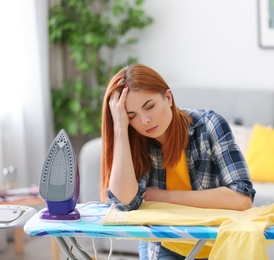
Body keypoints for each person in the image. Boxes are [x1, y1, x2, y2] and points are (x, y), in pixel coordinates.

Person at [100, 64, 256, 260]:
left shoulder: (209, 125)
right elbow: (125, 203)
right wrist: (121, 129)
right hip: (165, 244)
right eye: (132, 116)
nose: (145, 120)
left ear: (168, 97)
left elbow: (241, 197)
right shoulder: (134, 140)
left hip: (218, 243)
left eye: (149, 106)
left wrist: (161, 196)